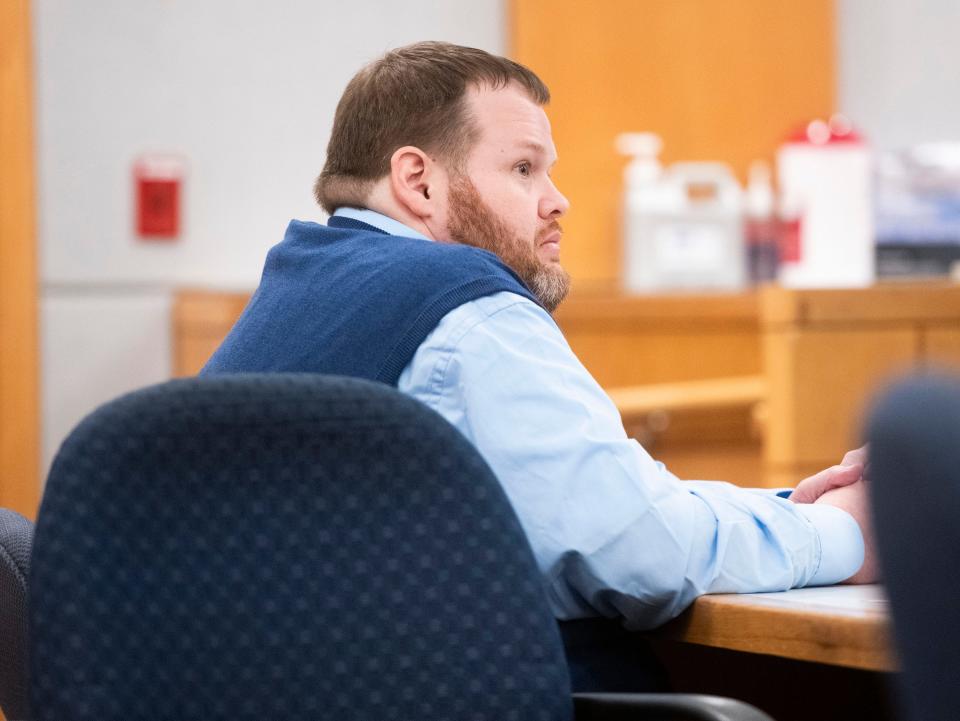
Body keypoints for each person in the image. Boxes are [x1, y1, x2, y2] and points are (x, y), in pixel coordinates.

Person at [202, 41, 876, 689]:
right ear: (419, 181)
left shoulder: (297, 292)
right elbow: (644, 553)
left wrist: (792, 504)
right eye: (524, 169)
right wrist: (847, 532)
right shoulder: (465, 306)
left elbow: (605, 505)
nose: (558, 200)